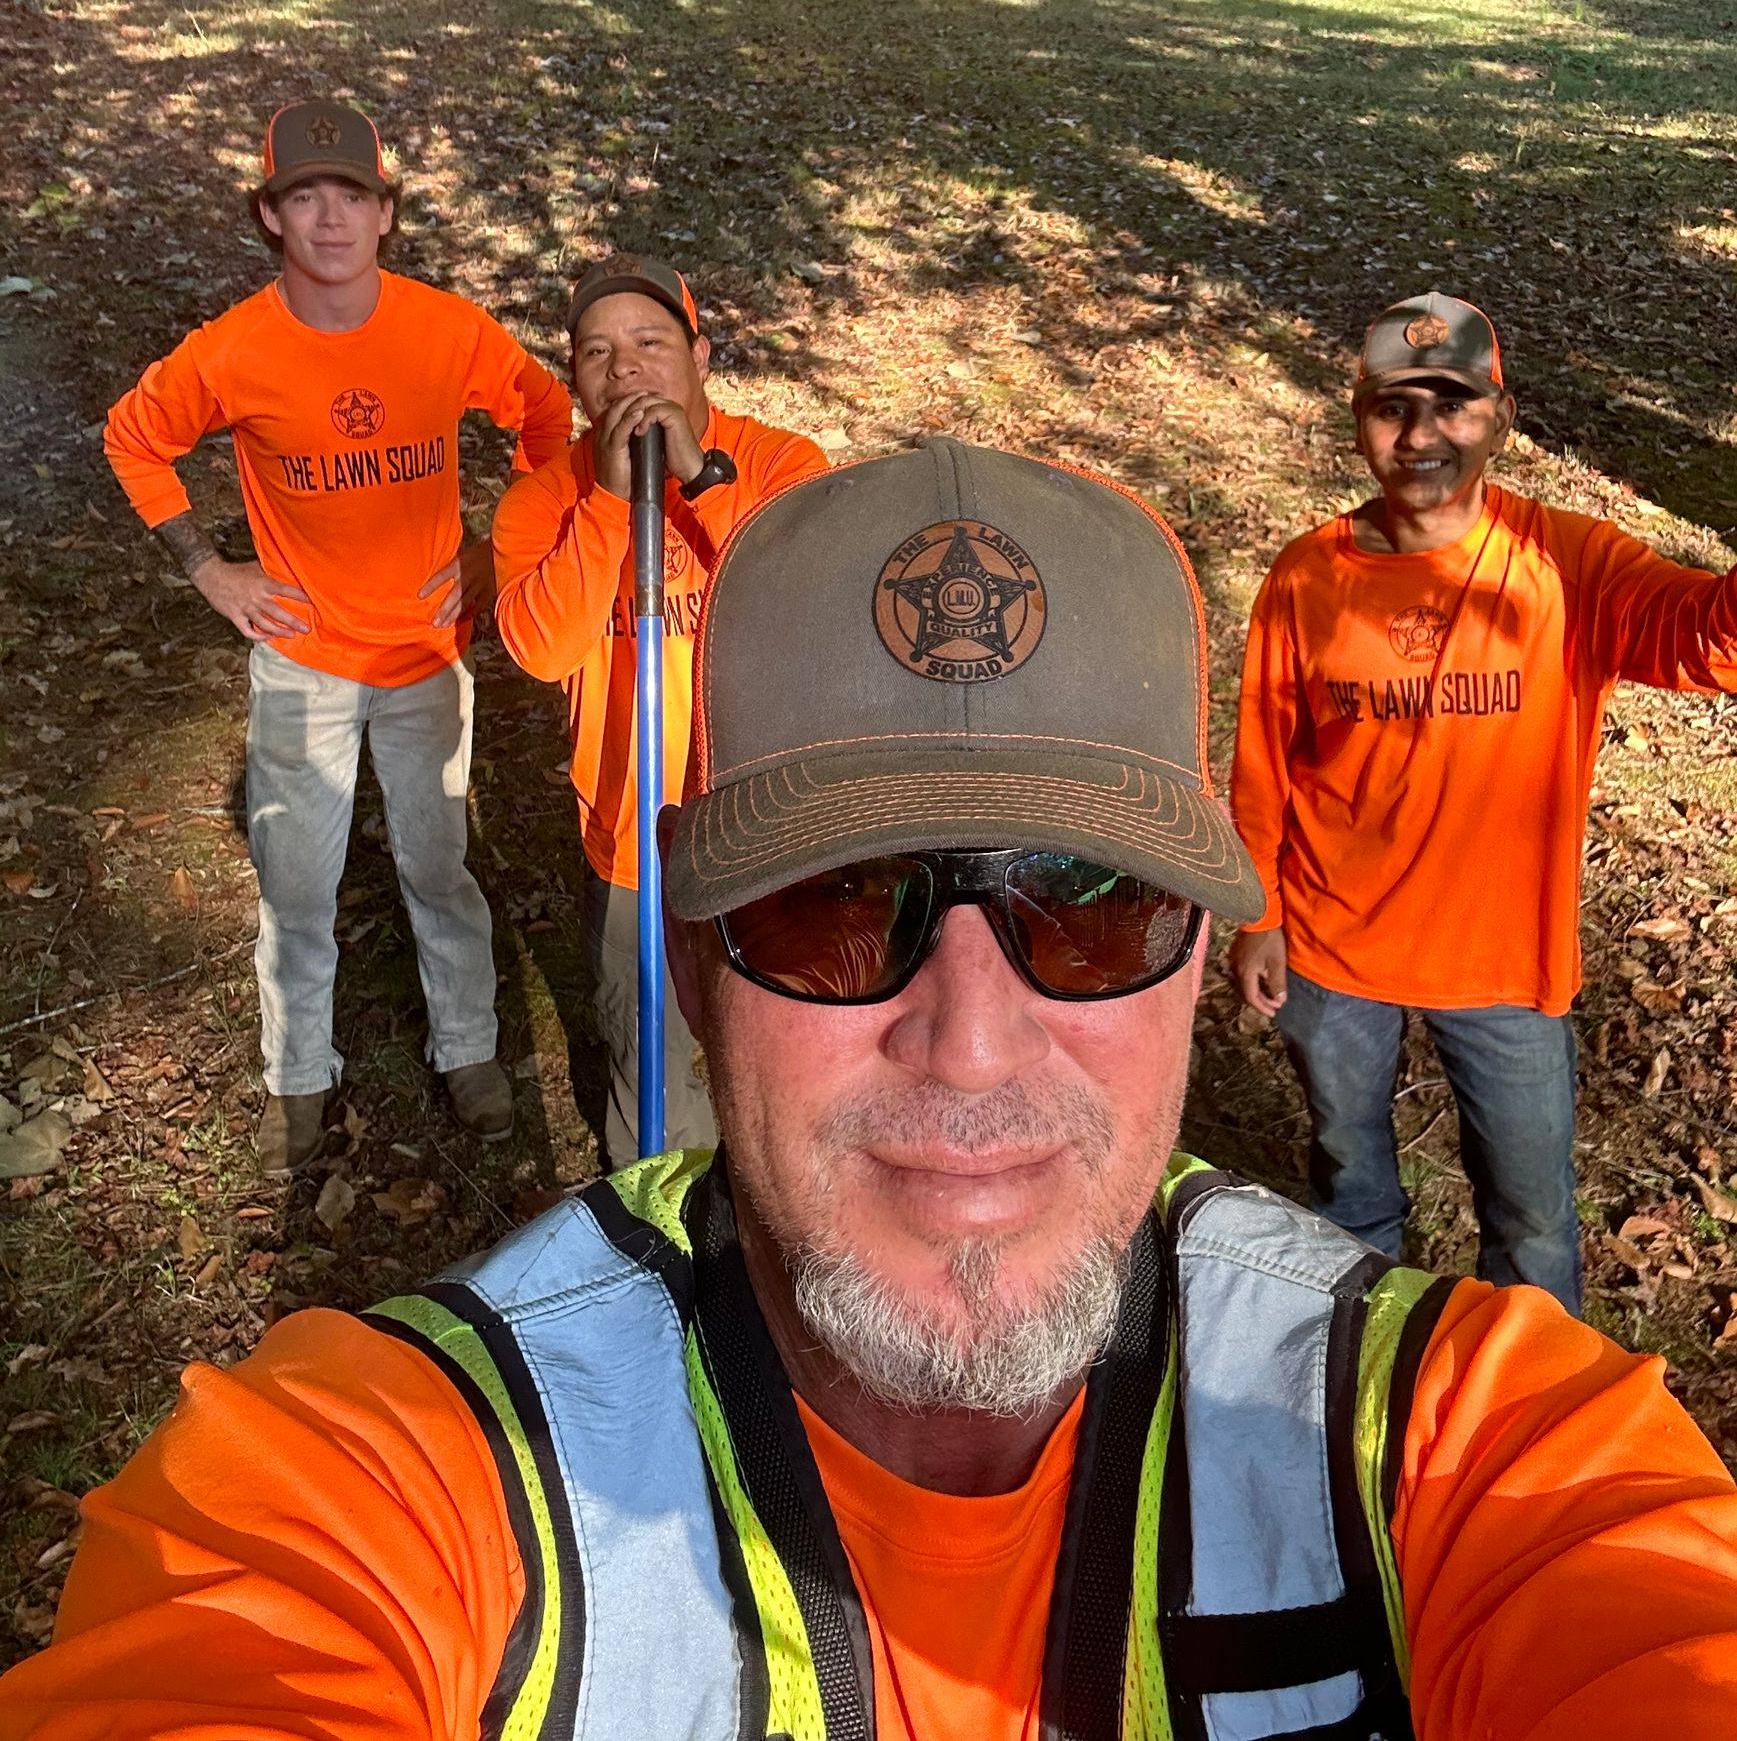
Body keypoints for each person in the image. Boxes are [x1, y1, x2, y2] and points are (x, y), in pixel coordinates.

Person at [7, 436, 1737, 1741]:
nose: (969, 1039)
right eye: (835, 908)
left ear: (1201, 960)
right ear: (691, 966)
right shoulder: (379, 1480)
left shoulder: (1485, 1451)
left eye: (1088, 905)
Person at [1230, 290, 1737, 1313]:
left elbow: (1707, 642)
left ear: (1501, 418)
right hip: (1332, 951)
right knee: (1351, 1188)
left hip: (1501, 963)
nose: (1419, 436)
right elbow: (1263, 761)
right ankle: (1360, 1368)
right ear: (1357, 413)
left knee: (1534, 1221)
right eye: (1390, 406)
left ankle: (1529, 1412)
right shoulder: (1306, 576)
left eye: (1451, 404)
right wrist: (1256, 915)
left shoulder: (1569, 566)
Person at [102, 101, 573, 1171]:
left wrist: (500, 550)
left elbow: (546, 419)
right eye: (303, 196)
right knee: (298, 889)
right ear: (270, 216)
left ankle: (469, 1050)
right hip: (303, 663)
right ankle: (296, 1079)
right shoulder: (235, 350)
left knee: (441, 869)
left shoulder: (445, 330)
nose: (329, 218)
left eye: (350, 195)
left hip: (425, 658)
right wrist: (208, 568)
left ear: (385, 212)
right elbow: (134, 439)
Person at [492, 252, 825, 1167]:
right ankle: (663, 1245)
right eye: (596, 354)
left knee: (787, 1059)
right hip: (635, 843)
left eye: (648, 342)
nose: (624, 369)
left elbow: (806, 611)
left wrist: (702, 479)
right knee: (653, 1071)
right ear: (574, 379)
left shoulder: (782, 466)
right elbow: (541, 648)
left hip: (767, 828)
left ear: (700, 354)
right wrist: (606, 502)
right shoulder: (542, 498)